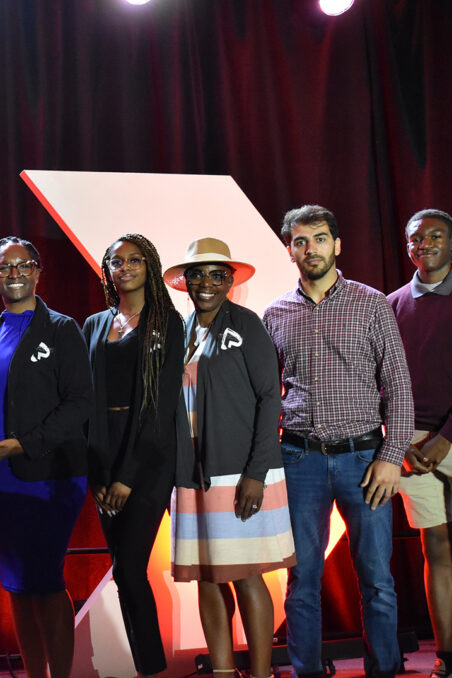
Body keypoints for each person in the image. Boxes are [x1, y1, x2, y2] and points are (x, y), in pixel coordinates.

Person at [263, 205, 413, 678]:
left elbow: (399, 386)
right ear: (289, 249)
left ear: (337, 245)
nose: (312, 249)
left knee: (377, 579)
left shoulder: (372, 304)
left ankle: (384, 669)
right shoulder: (275, 313)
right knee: (301, 579)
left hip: (365, 459)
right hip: (299, 458)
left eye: (321, 238)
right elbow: (268, 395)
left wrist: (391, 457)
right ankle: (307, 670)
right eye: (301, 241)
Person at [164, 237, 296, 678]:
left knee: (245, 574)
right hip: (193, 474)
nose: (206, 283)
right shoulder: (180, 331)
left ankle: (259, 673)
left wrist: (255, 473)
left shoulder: (248, 324)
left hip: (238, 472)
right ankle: (223, 671)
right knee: (207, 574)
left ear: (230, 281)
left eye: (217, 275)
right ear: (184, 282)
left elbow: (268, 400)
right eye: (197, 274)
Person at [0, 236, 93, 678]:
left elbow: (80, 403)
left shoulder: (61, 329)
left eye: (24, 265)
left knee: (45, 581)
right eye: (5, 267)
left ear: (39, 272)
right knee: (17, 586)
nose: (15, 273)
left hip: (48, 476)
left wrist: (20, 443)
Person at [387, 209, 452, 678]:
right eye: (415, 238)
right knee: (436, 552)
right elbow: (383, 380)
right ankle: (447, 661)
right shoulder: (392, 304)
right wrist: (397, 440)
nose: (423, 243)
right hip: (412, 445)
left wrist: (446, 438)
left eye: (435, 236)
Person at [81, 233, 186, 677]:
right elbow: (86, 402)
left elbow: (161, 406)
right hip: (104, 459)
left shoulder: (168, 321)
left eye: (135, 259)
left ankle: (152, 669)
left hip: (149, 459)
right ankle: (149, 666)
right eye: (116, 261)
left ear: (150, 265)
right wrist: (100, 474)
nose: (125, 267)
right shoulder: (93, 325)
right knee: (125, 573)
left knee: (130, 568)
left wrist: (126, 476)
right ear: (107, 270)